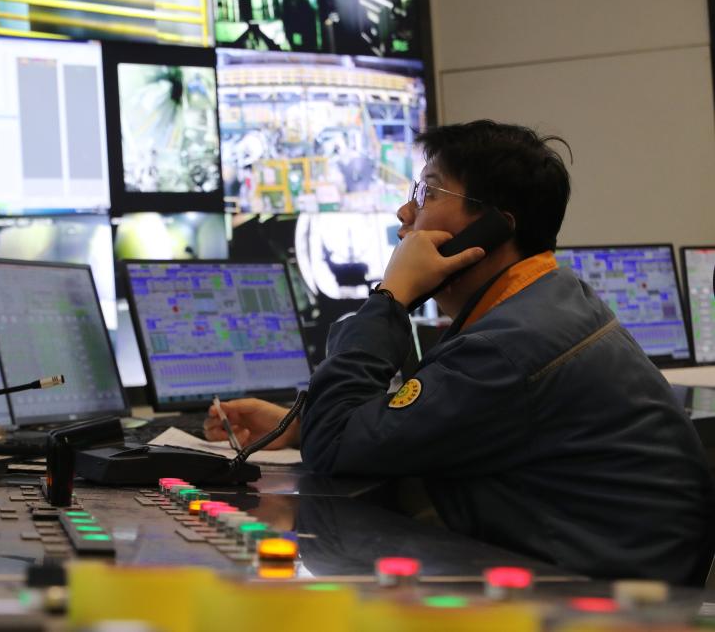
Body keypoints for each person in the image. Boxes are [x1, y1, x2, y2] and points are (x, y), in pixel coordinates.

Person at [205, 120, 715, 585]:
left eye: (428, 193)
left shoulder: (510, 347)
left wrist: (391, 298)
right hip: (604, 579)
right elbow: (433, 422)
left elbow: (335, 449)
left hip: (597, 607)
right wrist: (302, 425)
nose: (405, 213)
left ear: (492, 227)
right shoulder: (548, 302)